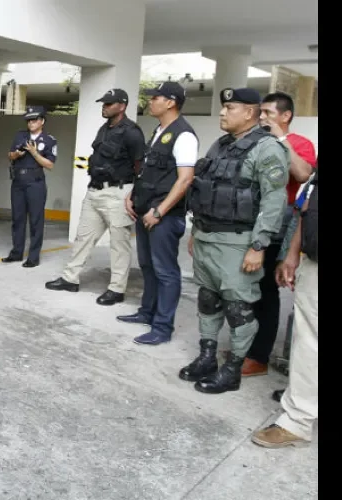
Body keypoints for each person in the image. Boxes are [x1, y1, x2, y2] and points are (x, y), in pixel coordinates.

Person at [178, 87, 290, 394]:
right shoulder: (221, 145)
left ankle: (233, 369)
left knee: (238, 307)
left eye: (230, 107)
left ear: (250, 113)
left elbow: (273, 201)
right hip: (206, 237)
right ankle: (207, 357)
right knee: (208, 300)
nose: (223, 113)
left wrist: (259, 246)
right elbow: (206, 189)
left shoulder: (267, 148)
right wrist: (196, 231)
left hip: (238, 243)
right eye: (223, 107)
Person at [240, 92, 317, 376]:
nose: (262, 118)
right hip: (249, 222)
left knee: (265, 293)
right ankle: (245, 347)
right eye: (260, 113)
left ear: (285, 116)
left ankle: (259, 356)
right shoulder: (255, 141)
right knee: (244, 291)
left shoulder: (299, 143)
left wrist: (280, 140)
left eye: (268, 113)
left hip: (278, 227)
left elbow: (303, 174)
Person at [117, 82, 198, 345]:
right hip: (145, 210)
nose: (150, 102)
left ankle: (162, 327)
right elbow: (149, 172)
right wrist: (133, 196)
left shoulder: (184, 135)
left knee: (165, 271)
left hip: (163, 216)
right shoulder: (159, 131)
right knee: (148, 266)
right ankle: (147, 312)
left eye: (155, 98)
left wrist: (160, 211)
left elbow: (185, 179)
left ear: (171, 102)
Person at [45, 89, 144, 304]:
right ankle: (70, 279)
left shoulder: (131, 132)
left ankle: (117, 289)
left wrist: (133, 195)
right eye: (104, 103)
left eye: (109, 104)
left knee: (119, 244)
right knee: (83, 237)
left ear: (122, 106)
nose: (104, 106)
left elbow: (139, 167)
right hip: (95, 191)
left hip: (118, 193)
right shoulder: (104, 129)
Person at [251, 165, 317, 447]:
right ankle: (300, 417)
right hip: (313, 260)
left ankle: (299, 419)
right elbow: (307, 205)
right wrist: (292, 254)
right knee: (308, 340)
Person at [1, 105, 56, 268]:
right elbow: (9, 155)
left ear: (42, 121)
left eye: (34, 120)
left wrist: (34, 152)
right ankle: (16, 253)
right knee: (17, 219)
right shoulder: (20, 135)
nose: (31, 123)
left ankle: (33, 257)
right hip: (18, 181)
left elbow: (50, 165)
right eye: (29, 120)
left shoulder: (49, 140)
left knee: (36, 220)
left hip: (35, 183)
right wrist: (16, 154)